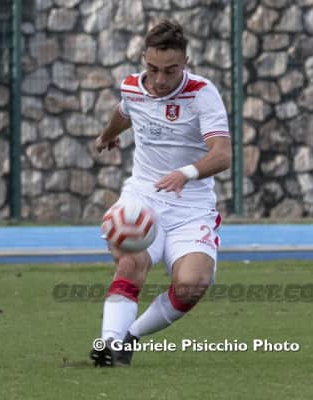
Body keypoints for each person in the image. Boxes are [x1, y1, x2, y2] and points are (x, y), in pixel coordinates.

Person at [89, 19, 232, 367]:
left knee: (193, 284)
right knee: (131, 261)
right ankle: (108, 345)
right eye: (153, 68)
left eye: (170, 70)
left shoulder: (201, 93)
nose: (160, 79)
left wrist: (185, 173)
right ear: (144, 60)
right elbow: (125, 111)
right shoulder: (133, 87)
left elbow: (222, 154)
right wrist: (108, 135)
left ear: (185, 63)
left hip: (191, 207)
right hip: (144, 198)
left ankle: (130, 337)